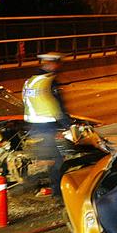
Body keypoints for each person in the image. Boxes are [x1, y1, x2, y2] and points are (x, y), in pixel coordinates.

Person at [22, 52, 71, 199]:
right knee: (57, 162)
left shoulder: (31, 81)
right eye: (58, 63)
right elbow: (57, 107)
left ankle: (48, 189)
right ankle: (59, 195)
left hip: (32, 126)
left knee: (49, 159)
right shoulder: (49, 82)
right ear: (52, 63)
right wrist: (68, 125)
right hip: (46, 127)